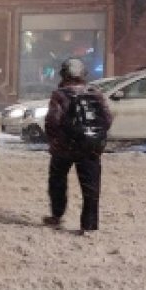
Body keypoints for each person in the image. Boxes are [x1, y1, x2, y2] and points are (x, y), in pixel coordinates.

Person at [43, 57, 113, 233]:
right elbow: (107, 118)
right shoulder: (95, 93)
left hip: (65, 147)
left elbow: (53, 121)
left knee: (57, 181)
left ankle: (57, 215)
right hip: (90, 147)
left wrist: (55, 141)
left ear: (64, 74)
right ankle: (89, 225)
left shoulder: (60, 95)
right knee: (91, 188)